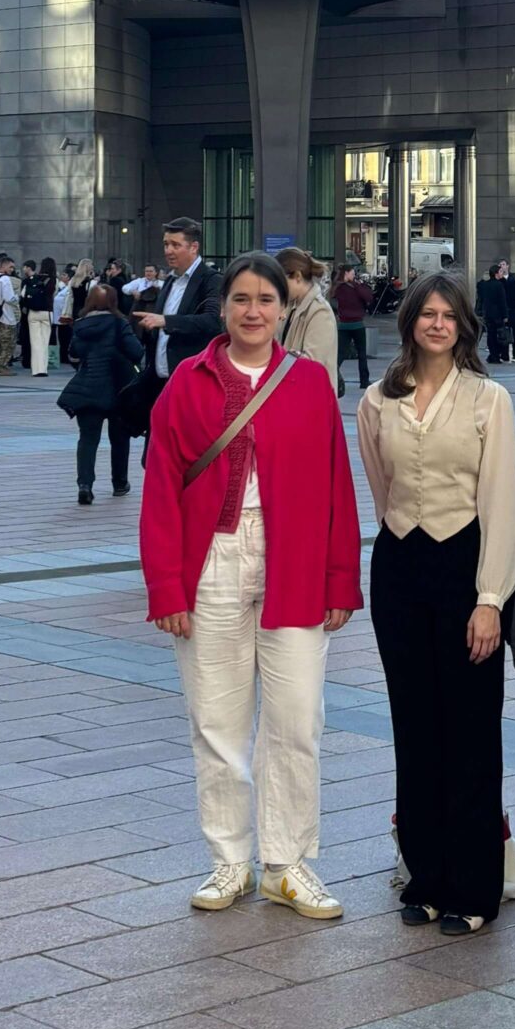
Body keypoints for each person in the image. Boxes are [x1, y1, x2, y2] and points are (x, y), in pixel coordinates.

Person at [141, 250, 361, 921]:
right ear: (225, 308)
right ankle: (229, 861)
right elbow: (159, 490)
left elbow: (336, 487)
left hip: (292, 561)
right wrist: (167, 589)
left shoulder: (307, 383)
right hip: (212, 561)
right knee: (217, 723)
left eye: (265, 300)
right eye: (241, 299)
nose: (253, 312)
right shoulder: (188, 381)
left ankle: (288, 863)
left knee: (296, 721)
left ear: (284, 307)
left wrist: (340, 579)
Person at [358, 272, 515, 934]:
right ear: (409, 323)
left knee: (471, 729)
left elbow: (501, 504)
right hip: (400, 566)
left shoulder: (489, 399)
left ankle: (474, 887)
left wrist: (490, 599)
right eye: (425, 313)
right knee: (414, 726)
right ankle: (424, 876)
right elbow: (381, 483)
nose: (435, 323)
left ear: (463, 326)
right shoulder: (377, 400)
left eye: (447, 314)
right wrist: (402, 535)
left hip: (465, 566)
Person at [128, 219, 226, 435]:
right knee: (154, 457)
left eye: (175, 245)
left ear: (193, 247)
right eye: (165, 244)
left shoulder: (210, 280)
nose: (168, 251)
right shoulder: (171, 281)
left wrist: (167, 321)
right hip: (160, 383)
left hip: (192, 387)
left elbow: (213, 321)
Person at [59, 280, 144, 504]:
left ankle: (85, 484)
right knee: (119, 438)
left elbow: (74, 353)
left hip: (88, 387)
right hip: (118, 388)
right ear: (114, 301)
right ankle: (119, 483)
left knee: (87, 439)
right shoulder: (119, 323)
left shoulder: (81, 325)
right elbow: (136, 351)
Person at [277, 250, 338, 377]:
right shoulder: (291, 306)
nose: (278, 289)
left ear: (297, 277)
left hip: (311, 393)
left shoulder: (320, 311)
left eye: (280, 282)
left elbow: (312, 363)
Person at [331, 264, 374, 393]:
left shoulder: (336, 288)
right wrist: (355, 284)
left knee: (340, 354)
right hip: (357, 324)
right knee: (362, 353)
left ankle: (331, 375)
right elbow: (368, 297)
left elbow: (333, 301)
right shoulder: (354, 287)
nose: (354, 274)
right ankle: (364, 381)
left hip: (343, 325)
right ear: (347, 274)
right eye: (352, 272)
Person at [0, 255, 22, 374]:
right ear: (3, 266)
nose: (12, 270)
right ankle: (3, 366)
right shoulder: (5, 280)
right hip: (7, 315)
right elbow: (9, 298)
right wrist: (18, 298)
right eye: (10, 267)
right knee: (8, 343)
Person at [475, 265, 513, 366]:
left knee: (490, 335)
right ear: (496, 273)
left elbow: (481, 297)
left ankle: (493, 355)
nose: (502, 273)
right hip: (498, 315)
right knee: (500, 336)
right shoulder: (499, 285)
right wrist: (505, 315)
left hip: (488, 314)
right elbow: (502, 301)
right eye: (500, 271)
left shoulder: (485, 285)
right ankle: (496, 355)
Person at [25, 258, 57, 376]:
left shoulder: (33, 279)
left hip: (33, 312)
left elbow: (23, 294)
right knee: (44, 341)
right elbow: (54, 294)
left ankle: (35, 369)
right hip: (47, 312)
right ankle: (43, 369)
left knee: (35, 342)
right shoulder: (53, 280)